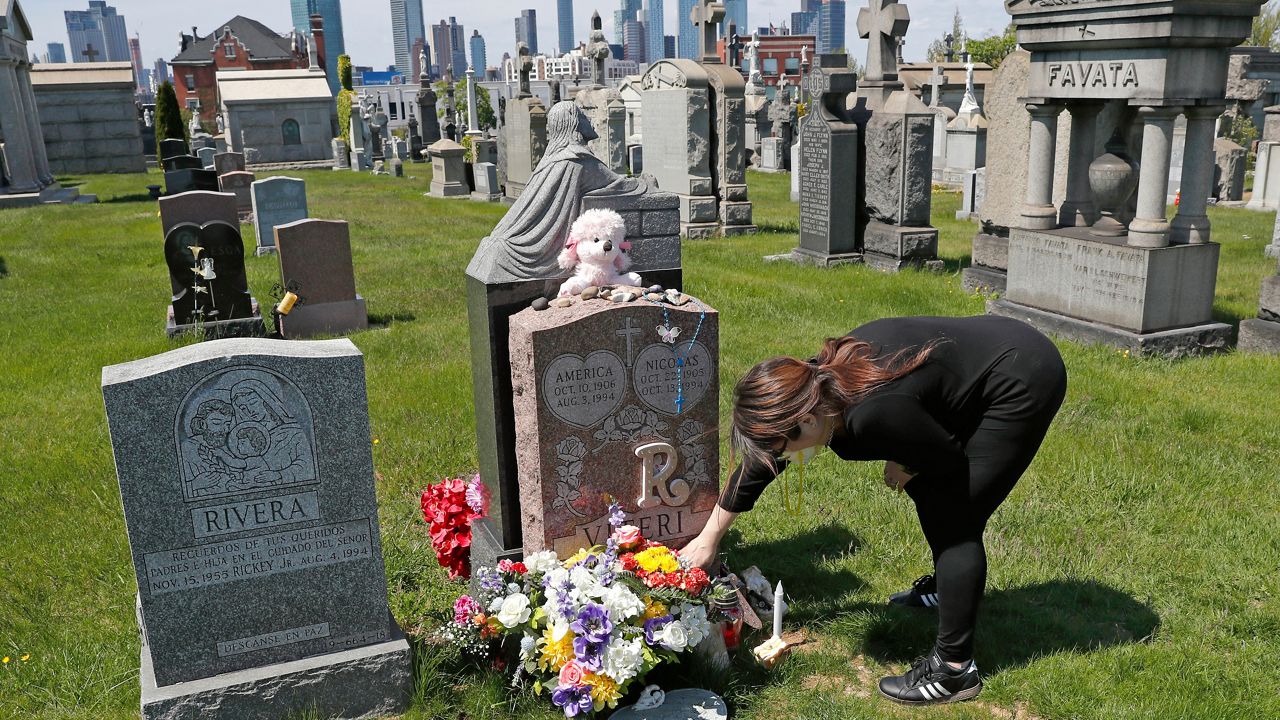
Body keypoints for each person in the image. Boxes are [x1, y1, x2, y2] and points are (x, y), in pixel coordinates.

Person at [680, 315, 1068, 706]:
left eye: (782, 447)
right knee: (939, 500)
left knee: (953, 516)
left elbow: (948, 460)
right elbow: (762, 462)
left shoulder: (873, 415)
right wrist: (709, 537)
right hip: (977, 361)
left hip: (1021, 376)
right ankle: (949, 591)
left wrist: (909, 460)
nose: (781, 458)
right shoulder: (810, 386)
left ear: (809, 421)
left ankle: (954, 670)